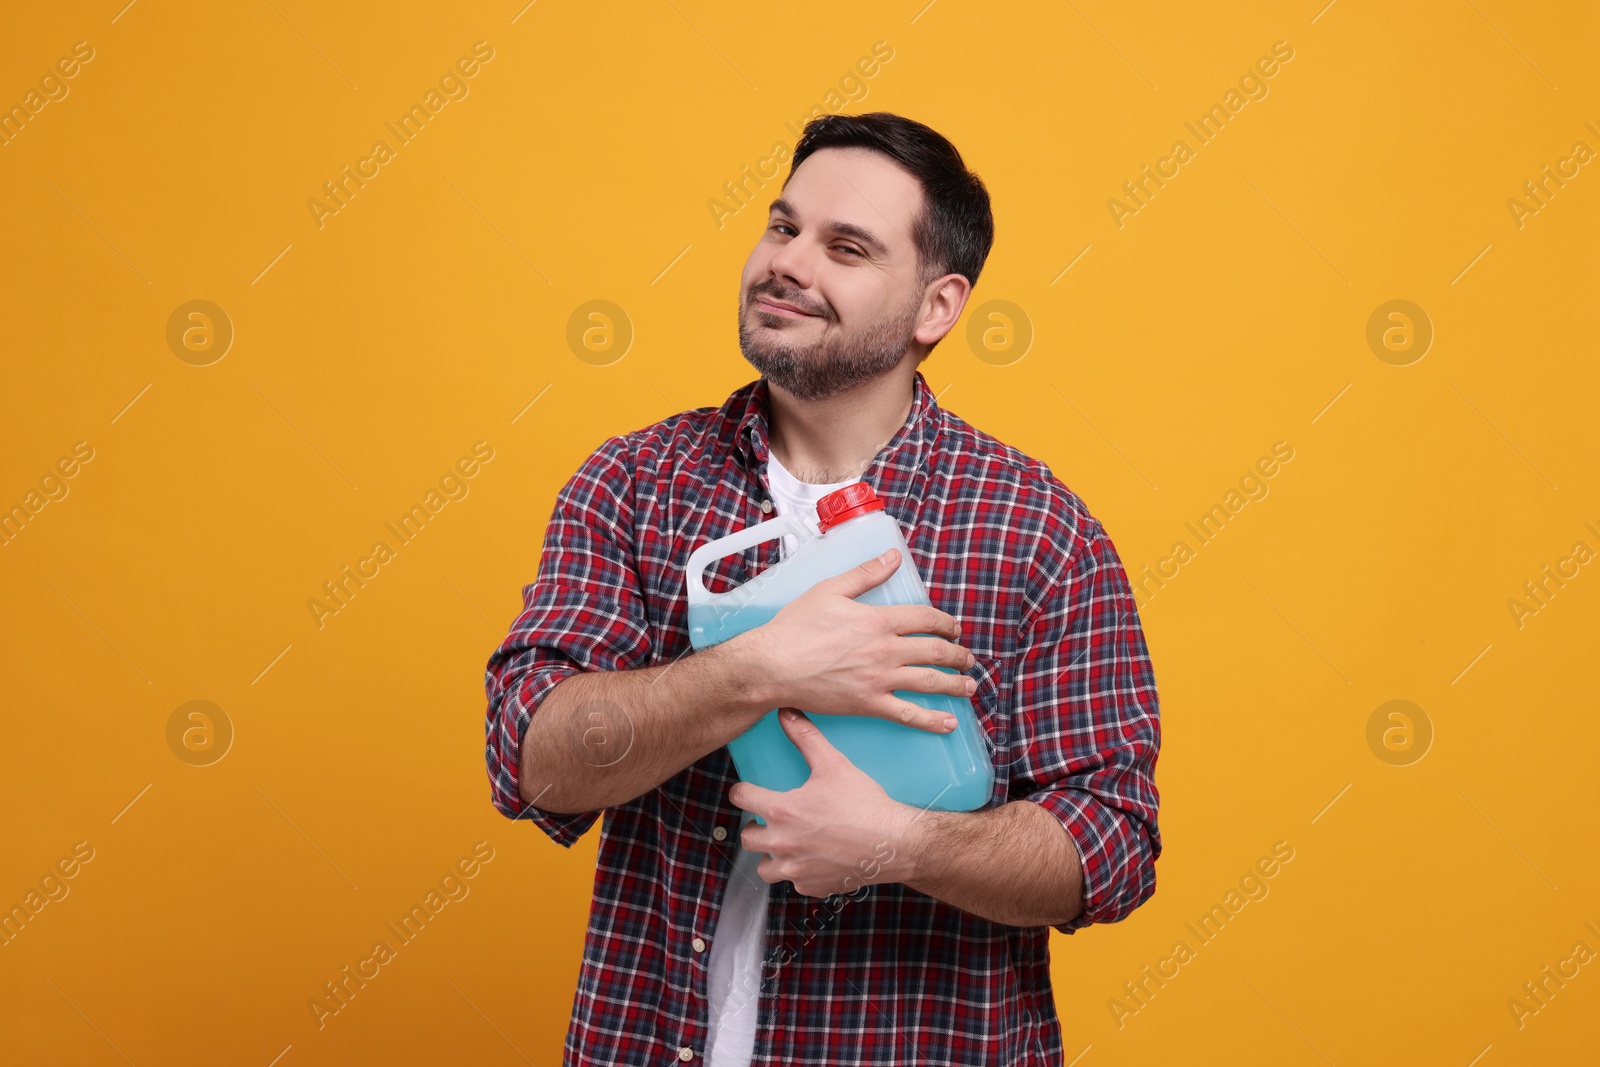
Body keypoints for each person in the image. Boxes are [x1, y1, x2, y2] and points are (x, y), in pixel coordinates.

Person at [484, 111, 1161, 1066]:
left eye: (845, 247)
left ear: (937, 307)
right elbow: (532, 760)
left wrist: (901, 844)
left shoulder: (1040, 532)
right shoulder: (634, 484)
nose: (788, 262)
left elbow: (1115, 845)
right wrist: (757, 667)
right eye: (782, 226)